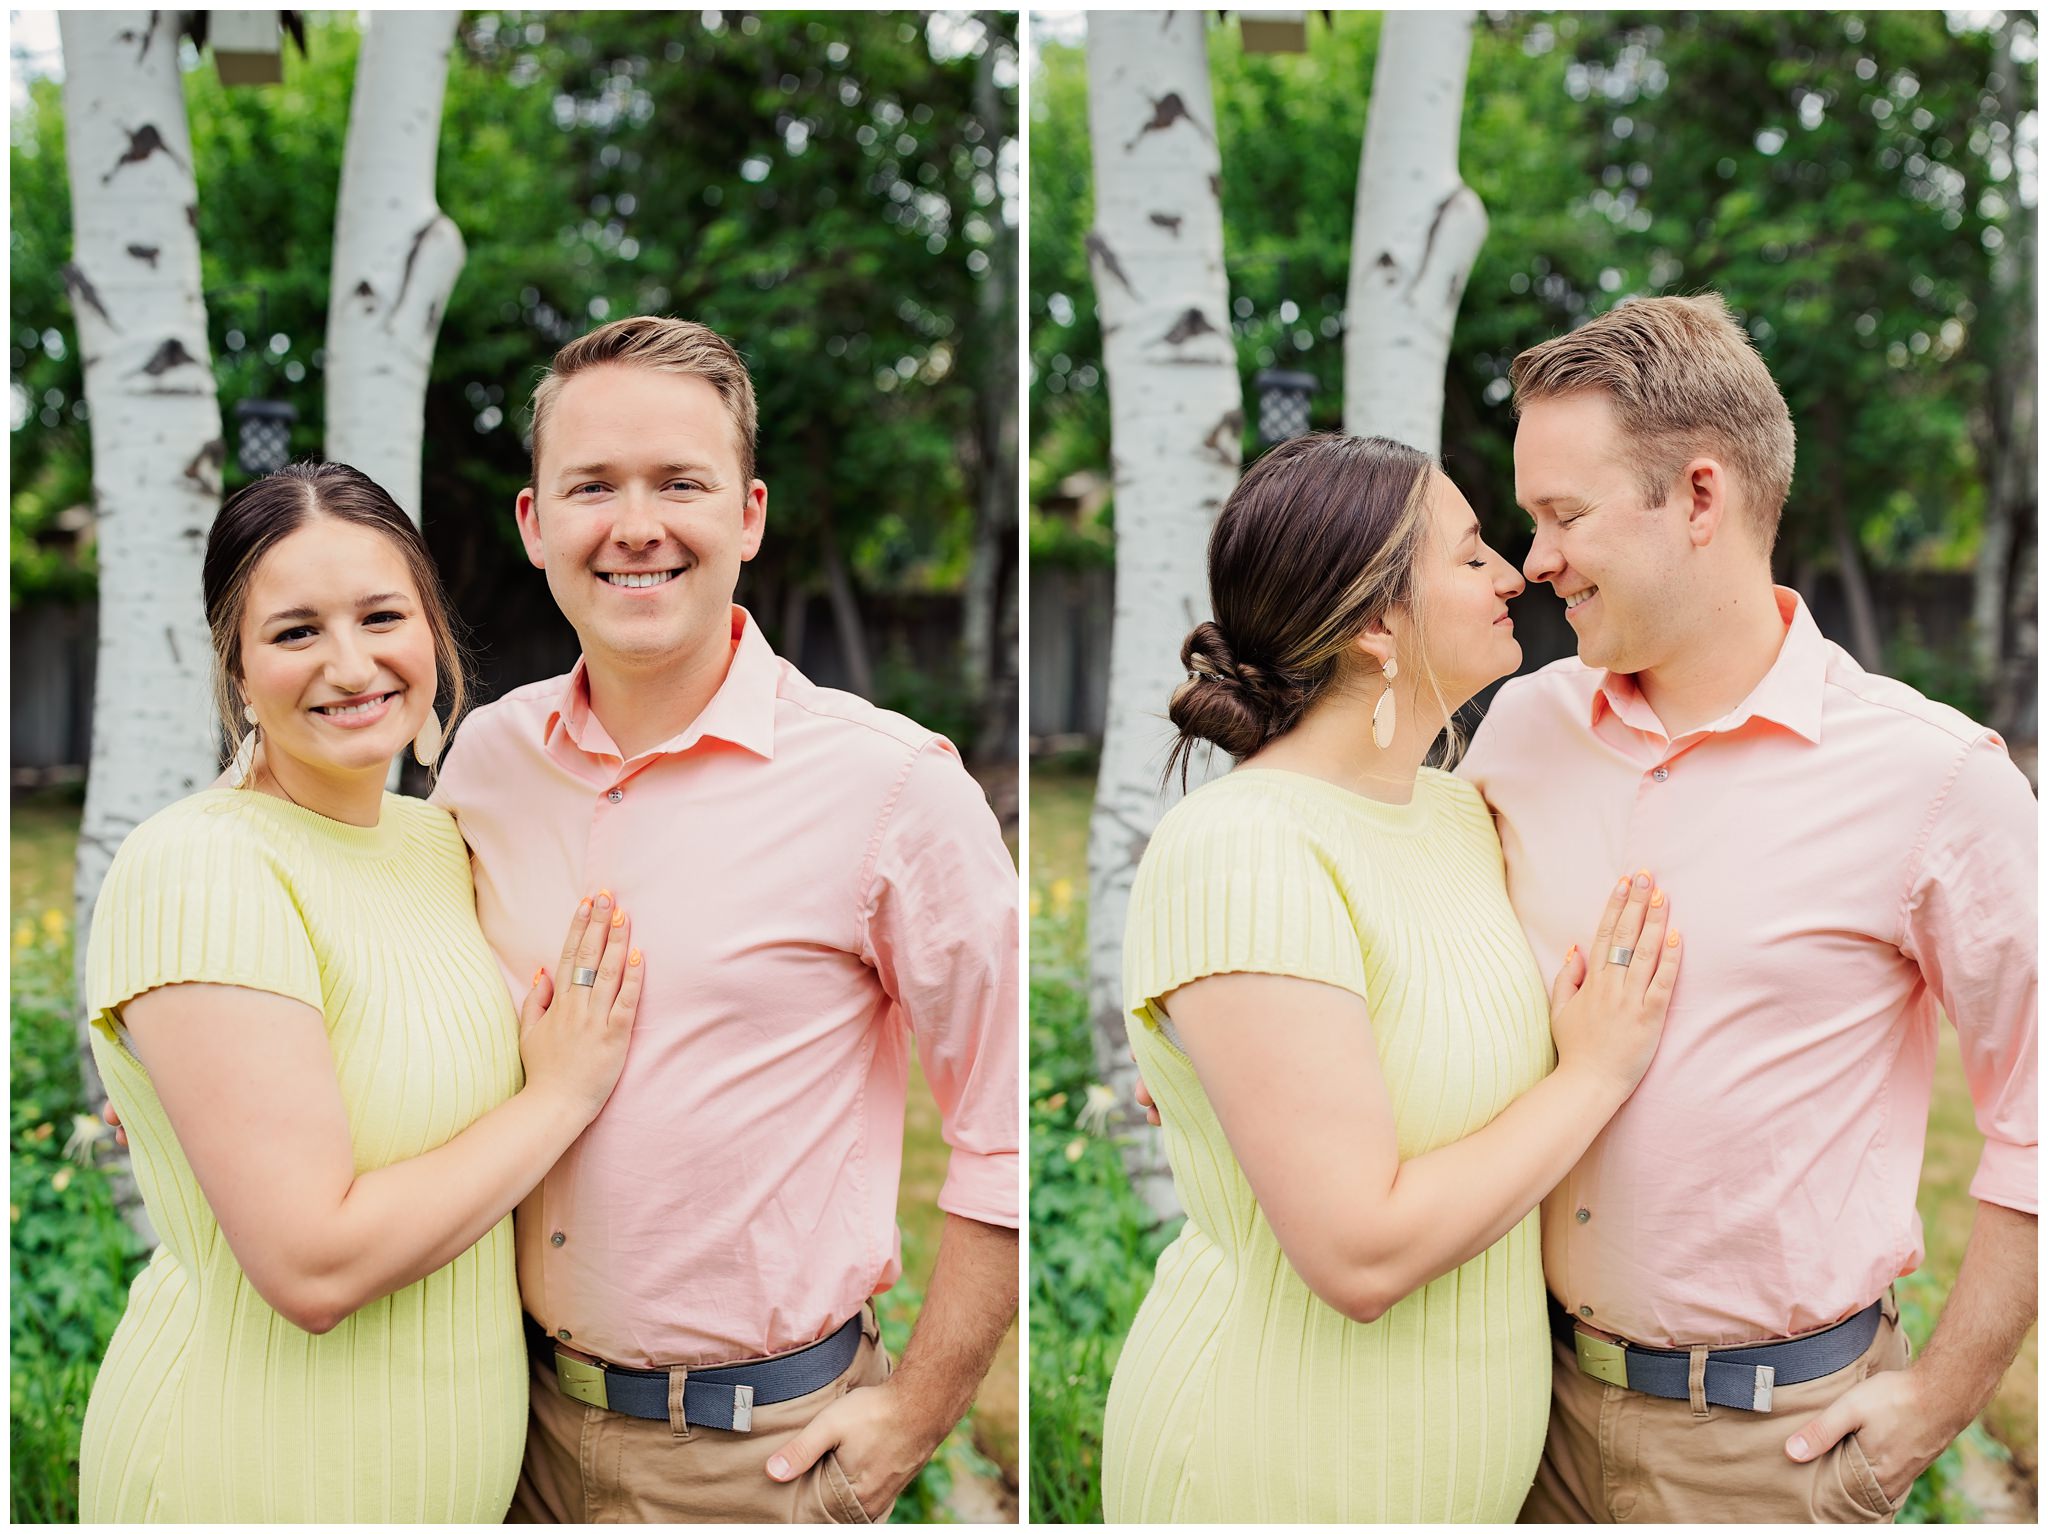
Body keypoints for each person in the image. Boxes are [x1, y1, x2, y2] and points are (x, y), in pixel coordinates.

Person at [429, 314, 1019, 1522]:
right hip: (500, 1429)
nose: (634, 524)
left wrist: (919, 1409)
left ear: (745, 516)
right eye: (592, 484)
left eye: (677, 484)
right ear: (535, 524)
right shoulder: (483, 764)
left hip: (756, 1464)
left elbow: (1004, 1123)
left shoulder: (890, 785)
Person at [1461, 293, 2037, 1523]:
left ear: (1701, 500)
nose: (1532, 561)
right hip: (1521, 1415)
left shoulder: (1935, 781)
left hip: (1769, 1459)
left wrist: (1938, 1402)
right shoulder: (1519, 730)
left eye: (1563, 514)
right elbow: (1425, 957)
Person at [1101, 430, 1687, 1522]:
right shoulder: (1243, 845)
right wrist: (1593, 1073)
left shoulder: (1461, 816)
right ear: (1377, 624)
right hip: (1276, 1466)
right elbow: (1357, 1251)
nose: (1513, 572)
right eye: (1469, 557)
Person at [80, 462, 645, 1521]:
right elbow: (313, 1265)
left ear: (429, 628)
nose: (351, 664)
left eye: (382, 616)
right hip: (252, 1473)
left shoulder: (439, 844)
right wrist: (560, 1095)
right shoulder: (201, 865)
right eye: (295, 632)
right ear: (236, 666)